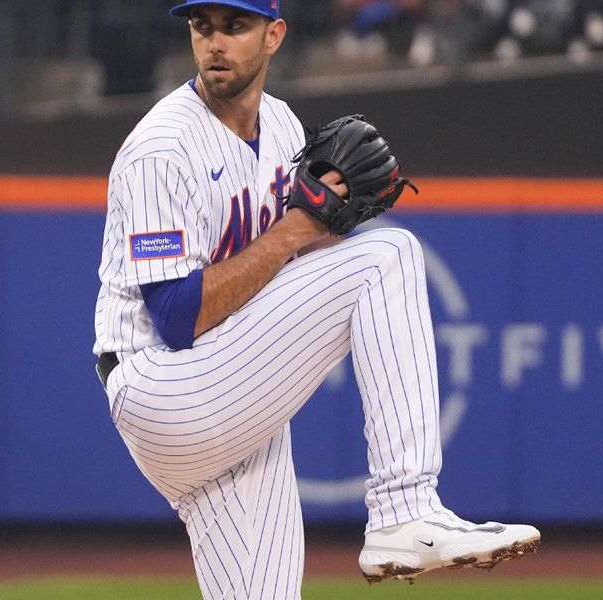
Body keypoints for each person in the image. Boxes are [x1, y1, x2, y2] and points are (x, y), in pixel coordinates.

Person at [93, 1, 540, 597]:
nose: (216, 43)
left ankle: (403, 514)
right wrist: (299, 231)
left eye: (236, 26)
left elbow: (300, 270)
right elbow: (176, 316)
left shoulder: (282, 129)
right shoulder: (162, 147)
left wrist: (327, 228)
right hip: (161, 385)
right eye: (203, 27)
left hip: (228, 391)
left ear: (274, 35)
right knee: (389, 257)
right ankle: (402, 508)